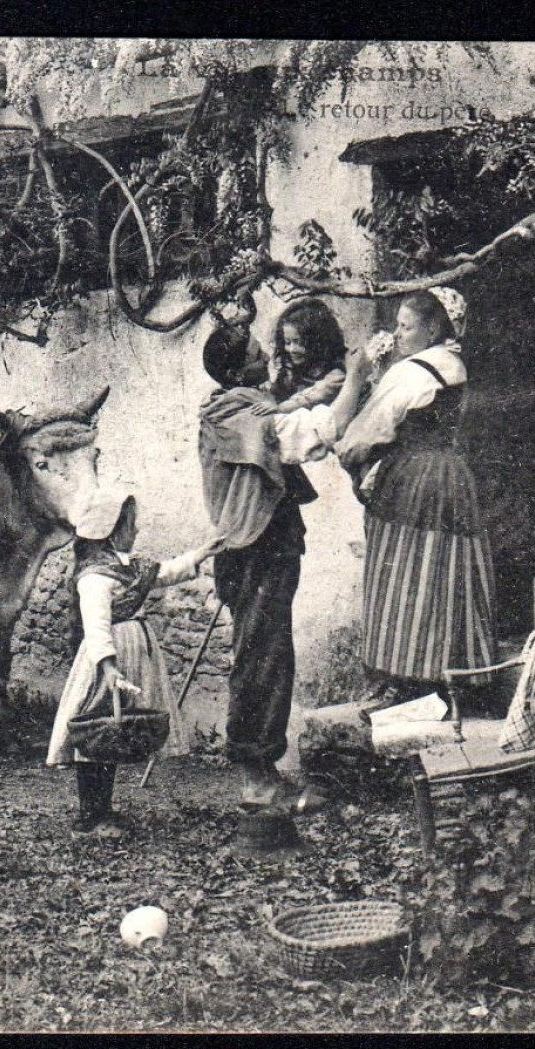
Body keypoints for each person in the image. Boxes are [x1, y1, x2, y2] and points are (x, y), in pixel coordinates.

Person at [198, 315, 368, 813]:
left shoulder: (248, 401)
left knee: (270, 652)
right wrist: (354, 380)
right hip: (252, 548)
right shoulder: (233, 413)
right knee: (261, 657)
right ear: (237, 369)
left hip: (266, 543)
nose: (266, 359)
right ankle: (254, 775)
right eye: (255, 353)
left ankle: (262, 769)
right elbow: (304, 436)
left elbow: (287, 404)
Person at [333, 287, 497, 704]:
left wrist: (351, 455)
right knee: (446, 573)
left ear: (433, 327)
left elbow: (365, 433)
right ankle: (448, 677)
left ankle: (405, 677)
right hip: (452, 476)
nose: (398, 334)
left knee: (402, 569)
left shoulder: (412, 372)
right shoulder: (455, 364)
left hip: (413, 479)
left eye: (406, 327)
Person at [46, 492, 223, 838]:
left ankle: (103, 810)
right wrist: (109, 669)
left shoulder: (129, 568)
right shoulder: (95, 577)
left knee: (115, 730)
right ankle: (89, 817)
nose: (137, 529)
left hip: (133, 651)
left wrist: (205, 551)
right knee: (98, 728)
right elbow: (96, 627)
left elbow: (166, 572)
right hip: (107, 660)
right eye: (131, 524)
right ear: (112, 531)